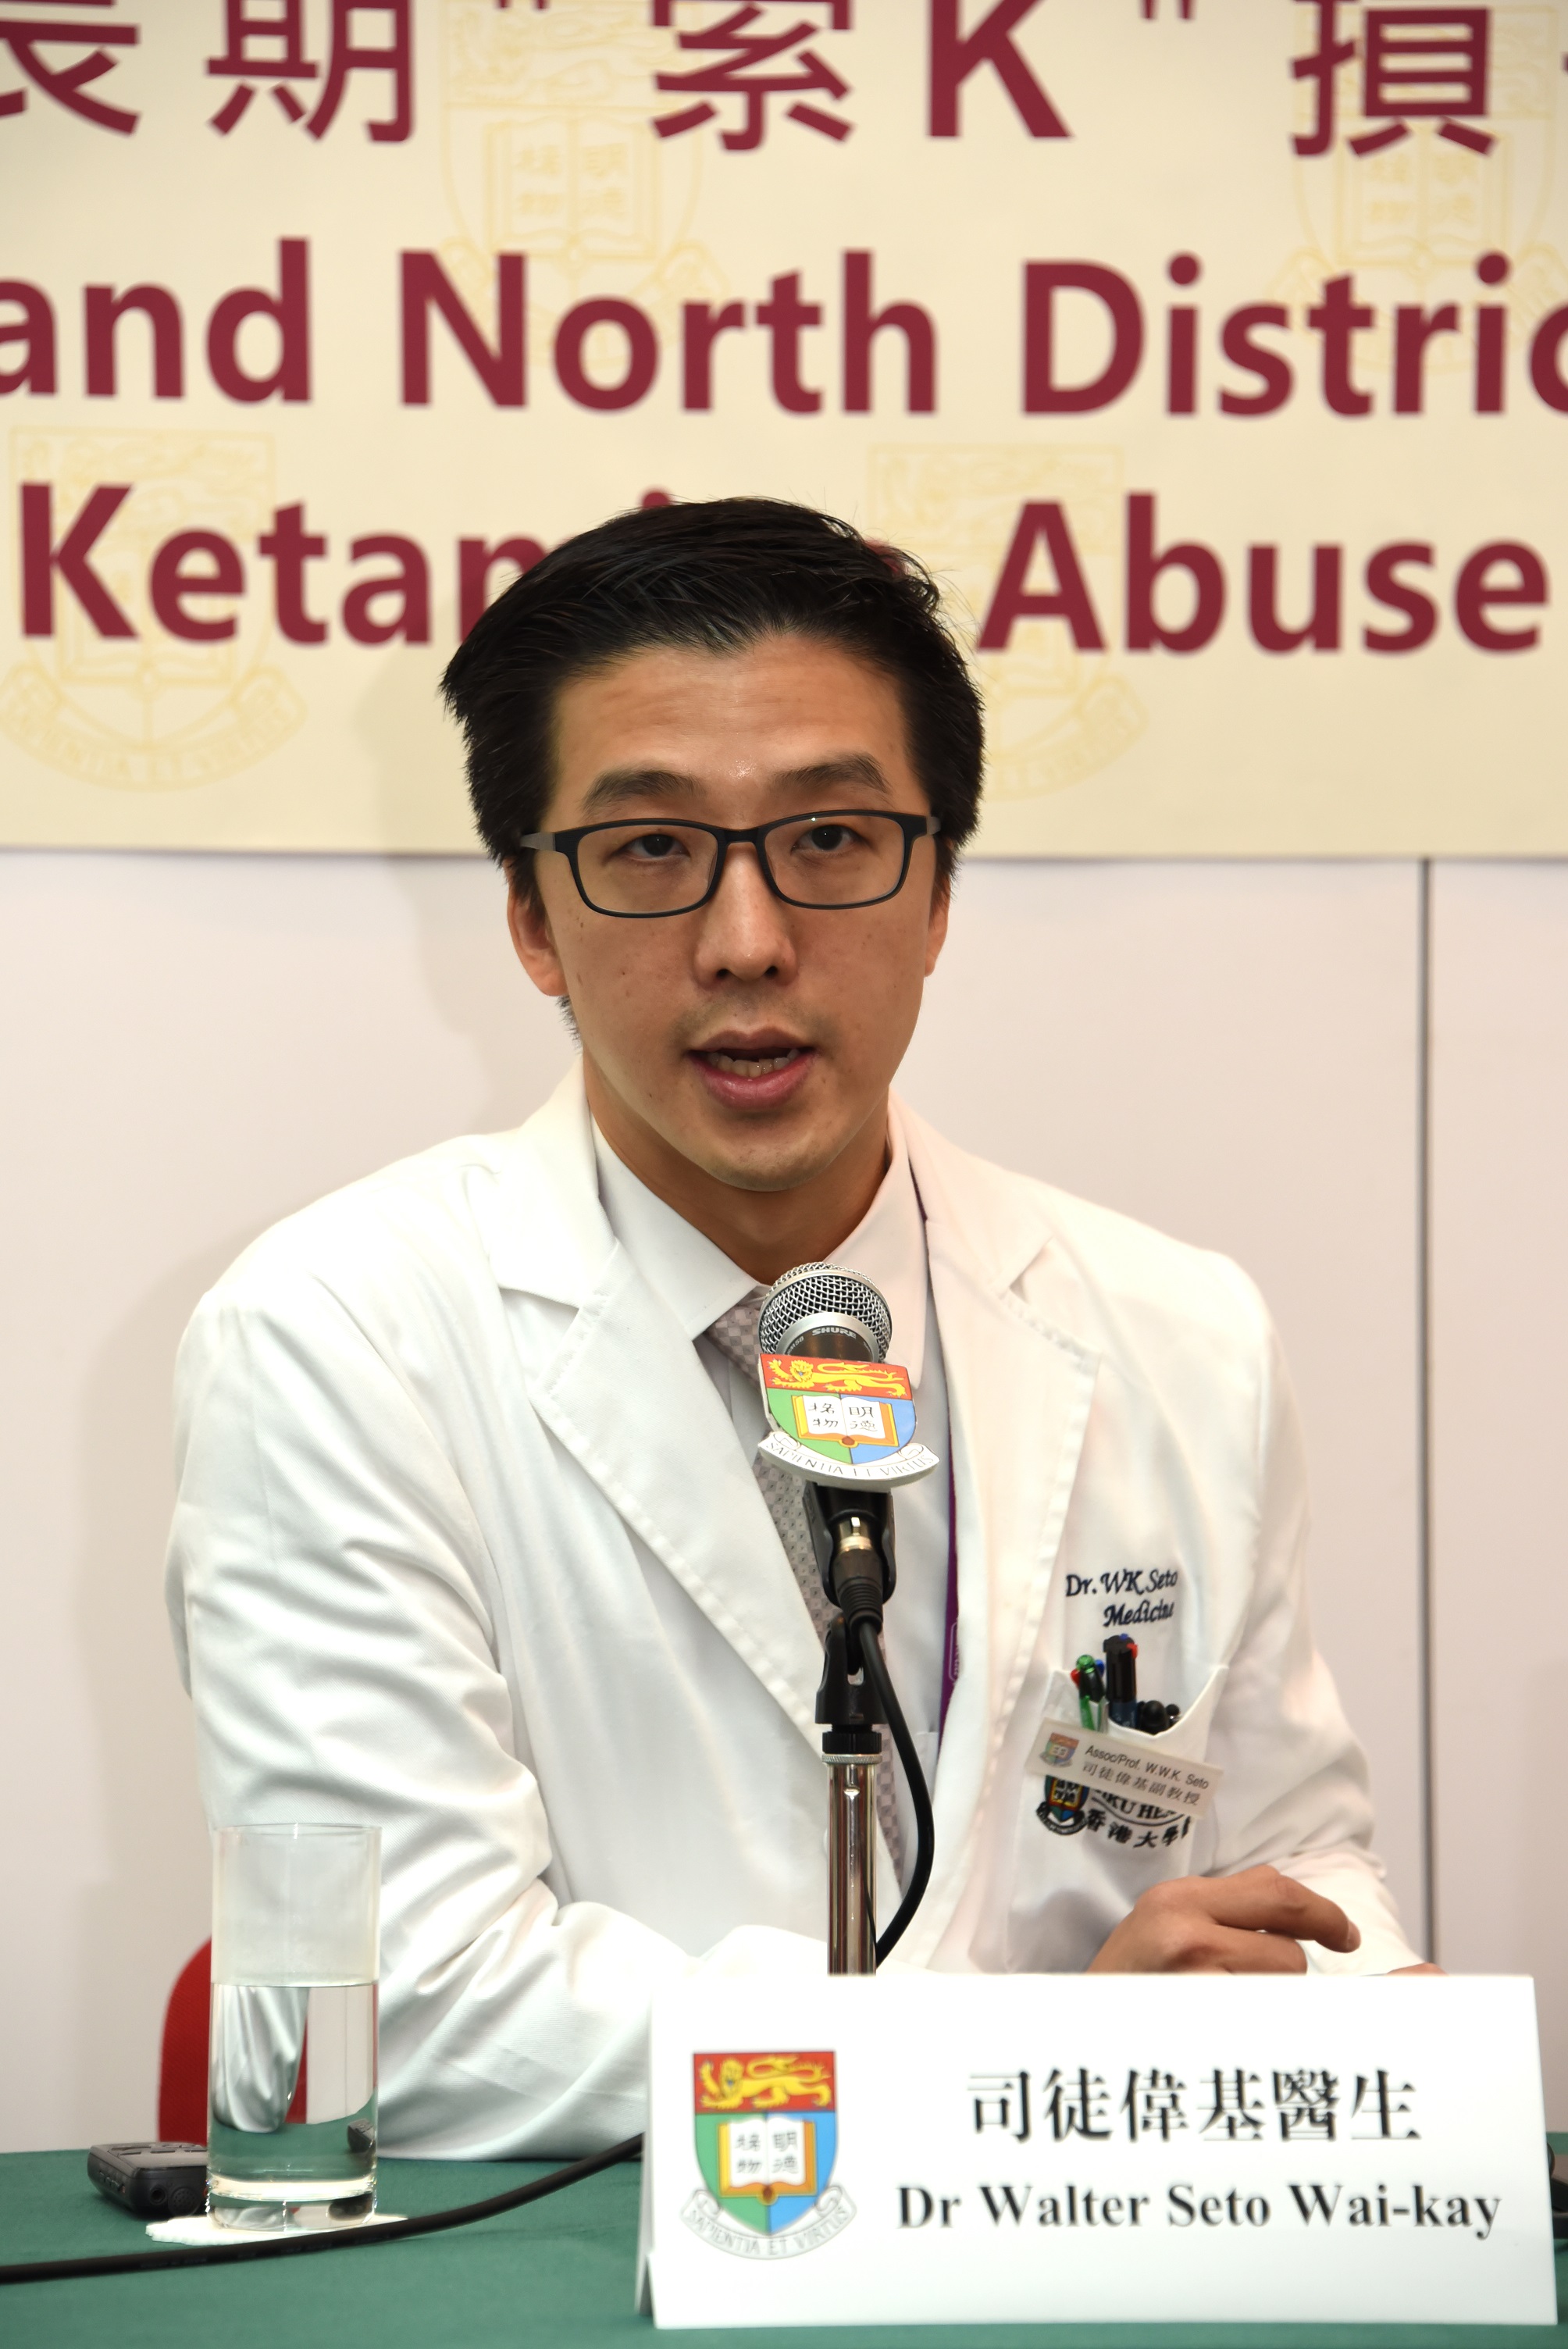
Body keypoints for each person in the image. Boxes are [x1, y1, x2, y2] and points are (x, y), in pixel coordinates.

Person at [166, 497, 1425, 2162]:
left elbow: (1297, 1863)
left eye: (829, 838)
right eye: (649, 849)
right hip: (591, 2269)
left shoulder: (1178, 1333)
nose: (747, 943)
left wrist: (1356, 2000)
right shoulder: (340, 1337)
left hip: (1101, 2261)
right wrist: (1041, 2057)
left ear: (939, 892)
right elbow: (395, 2005)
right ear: (532, 918)